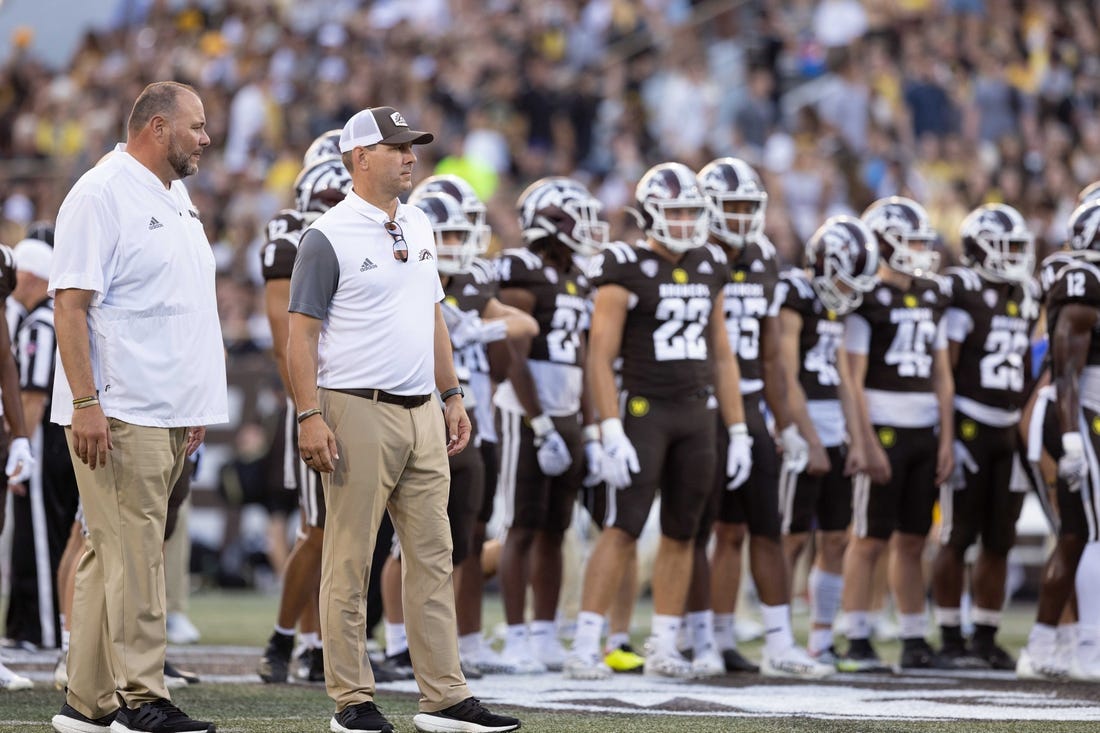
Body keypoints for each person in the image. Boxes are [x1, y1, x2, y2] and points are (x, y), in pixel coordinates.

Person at [286, 105, 520, 733]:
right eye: (396, 148)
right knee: (351, 557)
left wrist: (452, 394)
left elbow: (432, 316)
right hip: (355, 406)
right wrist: (309, 415)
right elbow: (300, 338)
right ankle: (352, 700)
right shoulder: (327, 235)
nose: (410, 157)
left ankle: (444, 696)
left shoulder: (416, 222)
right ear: (360, 157)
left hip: (421, 409)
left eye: (412, 147)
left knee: (433, 553)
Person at [49, 81, 227, 733]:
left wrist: (195, 399)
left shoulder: (174, 197)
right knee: (135, 554)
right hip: (121, 407)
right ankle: (140, 696)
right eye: (197, 126)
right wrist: (88, 402)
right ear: (157, 127)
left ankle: (86, 701)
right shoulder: (101, 194)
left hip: (166, 406)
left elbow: (177, 310)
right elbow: (69, 305)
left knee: (110, 552)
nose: (206, 138)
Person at [563, 162, 753, 680]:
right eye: (675, 211)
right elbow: (598, 356)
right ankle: (585, 645)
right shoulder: (623, 265)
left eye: (692, 210)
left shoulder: (710, 263)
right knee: (621, 527)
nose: (687, 221)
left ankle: (665, 643)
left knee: (683, 533)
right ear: (648, 214)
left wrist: (736, 429)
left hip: (697, 412)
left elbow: (723, 354)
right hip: (644, 410)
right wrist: (607, 428)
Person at [689, 157, 824, 679]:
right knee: (704, 531)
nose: (743, 216)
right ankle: (703, 637)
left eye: (750, 206)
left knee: (761, 526)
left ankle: (776, 639)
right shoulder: (694, 255)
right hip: (703, 406)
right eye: (733, 206)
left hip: (750, 404)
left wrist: (785, 421)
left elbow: (772, 356)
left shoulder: (765, 257)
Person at [491, 176, 605, 673]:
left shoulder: (578, 276)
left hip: (567, 411)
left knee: (557, 528)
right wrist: (538, 422)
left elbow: (579, 352)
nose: (587, 229)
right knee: (520, 527)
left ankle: (543, 632)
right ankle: (515, 636)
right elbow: (511, 351)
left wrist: (589, 422)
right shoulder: (521, 268)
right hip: (526, 414)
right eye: (577, 219)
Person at [840, 196, 954, 673]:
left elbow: (941, 373)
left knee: (912, 539)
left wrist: (947, 436)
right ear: (883, 244)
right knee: (868, 538)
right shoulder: (866, 298)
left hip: (923, 428)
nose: (918, 249)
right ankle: (856, 636)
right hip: (883, 426)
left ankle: (912, 635)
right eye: (908, 240)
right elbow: (853, 376)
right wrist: (864, 440)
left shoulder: (932, 293)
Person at [257, 149, 353, 686]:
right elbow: (284, 338)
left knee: (345, 533)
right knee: (318, 529)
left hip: (363, 393)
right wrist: (307, 408)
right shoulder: (292, 240)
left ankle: (321, 645)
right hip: (318, 397)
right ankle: (284, 636)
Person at [932, 204, 1039, 669]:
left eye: (1019, 247)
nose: (1015, 256)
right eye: (1007, 247)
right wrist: (948, 434)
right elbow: (947, 371)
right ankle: (951, 634)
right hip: (971, 425)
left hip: (1009, 428)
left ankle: (987, 633)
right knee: (957, 537)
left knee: (1000, 539)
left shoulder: (1027, 293)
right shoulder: (962, 290)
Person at [776, 216, 879, 663]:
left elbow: (841, 379)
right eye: (844, 273)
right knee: (792, 537)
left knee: (836, 538)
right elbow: (783, 374)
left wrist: (856, 440)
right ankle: (778, 634)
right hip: (801, 432)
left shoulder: (838, 305)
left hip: (834, 428)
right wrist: (810, 438)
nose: (851, 285)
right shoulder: (795, 294)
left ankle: (820, 637)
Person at [1018, 199, 1100, 682]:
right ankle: (1090, 649)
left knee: (1073, 536)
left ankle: (1043, 645)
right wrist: (1070, 442)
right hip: (1075, 414)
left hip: (1087, 414)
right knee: (1091, 533)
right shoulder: (1083, 284)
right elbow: (1066, 373)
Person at [5, 235, 79, 655]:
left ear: (30, 277)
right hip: (60, 437)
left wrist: (20, 448)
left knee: (37, 534)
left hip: (43, 438)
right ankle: (40, 625)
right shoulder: (55, 317)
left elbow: (32, 395)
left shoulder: (40, 323)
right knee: (56, 531)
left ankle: (42, 628)